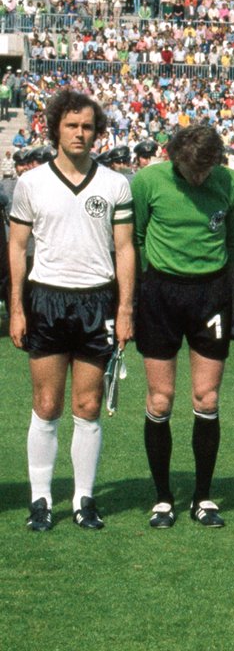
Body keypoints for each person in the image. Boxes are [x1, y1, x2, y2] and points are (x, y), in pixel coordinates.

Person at [8, 90, 134, 530]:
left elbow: (124, 249)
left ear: (97, 133)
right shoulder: (31, 184)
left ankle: (84, 498)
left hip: (97, 300)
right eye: (72, 125)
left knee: (88, 403)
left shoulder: (115, 184)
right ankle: (41, 499)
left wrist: (126, 308)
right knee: (46, 404)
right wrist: (17, 308)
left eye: (87, 127)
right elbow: (17, 247)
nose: (80, 134)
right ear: (55, 129)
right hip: (47, 298)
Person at [133, 123, 234, 528]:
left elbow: (233, 240)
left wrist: (226, 294)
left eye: (205, 169)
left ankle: (202, 496)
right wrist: (147, 286)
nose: (199, 177)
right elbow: (138, 237)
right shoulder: (148, 182)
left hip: (210, 295)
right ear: (174, 159)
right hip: (160, 294)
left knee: (207, 399)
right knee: (160, 400)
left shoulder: (232, 184)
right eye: (190, 170)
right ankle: (163, 498)